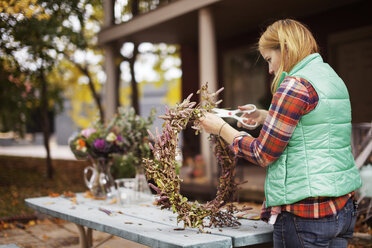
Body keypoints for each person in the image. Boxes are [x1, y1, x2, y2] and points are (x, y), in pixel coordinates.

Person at [200, 19, 362, 247]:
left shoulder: (294, 85)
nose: (270, 69)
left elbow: (262, 154)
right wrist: (266, 116)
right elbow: (316, 122)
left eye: (269, 59)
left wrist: (221, 128)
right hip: (342, 210)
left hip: (305, 217)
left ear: (285, 48)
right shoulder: (331, 78)